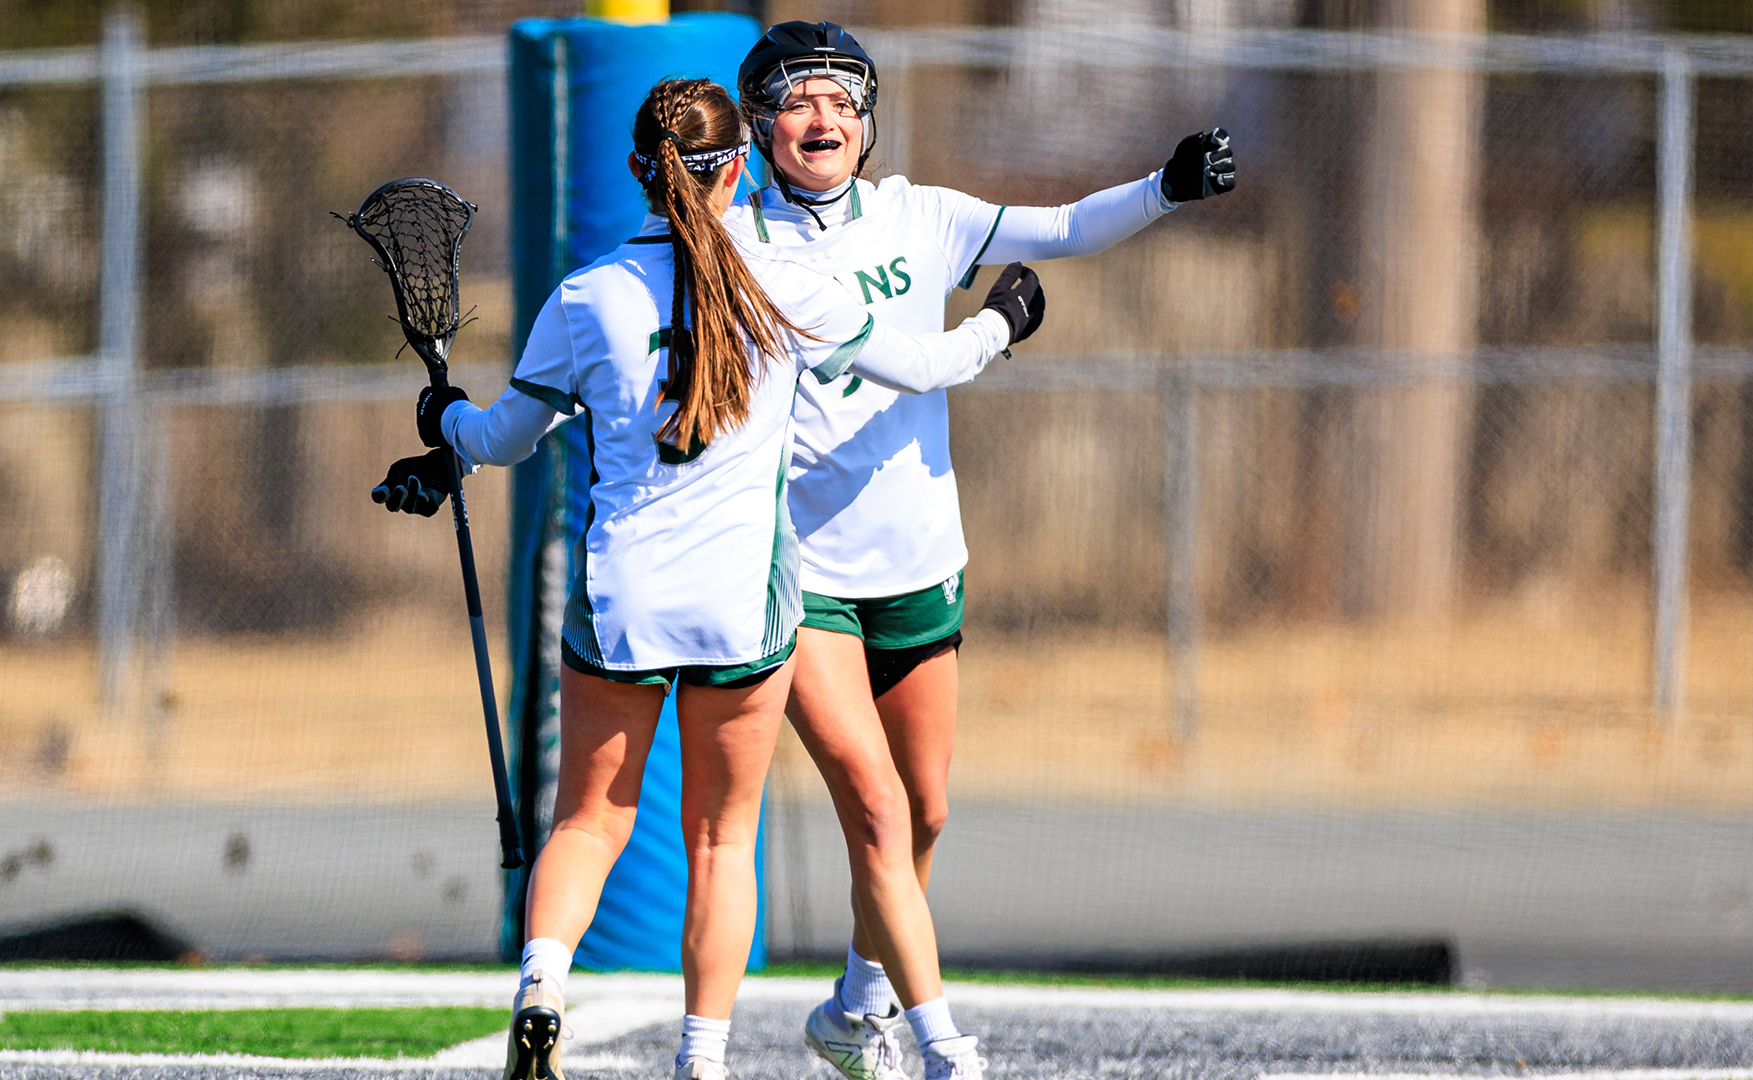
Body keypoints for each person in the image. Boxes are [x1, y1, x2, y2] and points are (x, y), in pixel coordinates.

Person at [371, 77, 1045, 1080]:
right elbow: (927, 366)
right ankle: (704, 1059)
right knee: (724, 842)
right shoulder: (784, 282)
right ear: (739, 166)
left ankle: (542, 990)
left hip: (623, 602)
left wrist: (445, 431)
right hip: (742, 609)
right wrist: (1003, 320)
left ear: (640, 171)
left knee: (589, 822)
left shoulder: (587, 294)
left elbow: (506, 436)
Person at [730, 21, 1238, 1080]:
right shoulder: (737, 245)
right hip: (804, 572)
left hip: (919, 558)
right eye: (797, 98)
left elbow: (1059, 227)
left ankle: (857, 1004)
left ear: (868, 121)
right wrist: (1001, 326)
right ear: (760, 123)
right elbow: (916, 365)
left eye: (842, 100)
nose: (822, 118)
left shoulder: (923, 215)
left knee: (925, 810)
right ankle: (941, 1045)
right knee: (871, 804)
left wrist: (1165, 187)